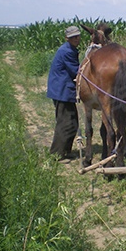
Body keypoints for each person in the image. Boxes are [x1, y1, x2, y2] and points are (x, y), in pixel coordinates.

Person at [47, 25, 81, 163]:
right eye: (73, 37)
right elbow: (76, 72)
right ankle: (56, 154)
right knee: (65, 122)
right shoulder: (67, 51)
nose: (76, 39)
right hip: (62, 91)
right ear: (67, 38)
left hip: (64, 90)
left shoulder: (70, 49)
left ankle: (66, 151)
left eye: (77, 36)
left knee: (73, 122)